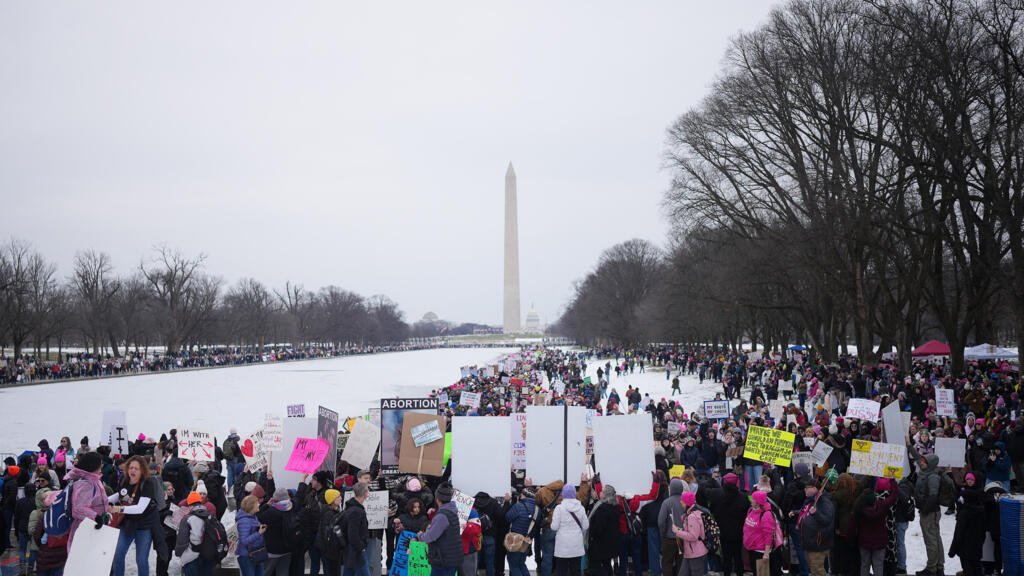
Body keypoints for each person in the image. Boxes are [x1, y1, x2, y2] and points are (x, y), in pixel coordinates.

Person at [110, 455, 160, 576]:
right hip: (127, 524)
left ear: (142, 470)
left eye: (136, 468)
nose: (132, 470)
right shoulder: (124, 480)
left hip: (144, 526)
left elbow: (140, 508)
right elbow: (119, 494)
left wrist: (118, 508)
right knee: (118, 554)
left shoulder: (148, 483)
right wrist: (103, 501)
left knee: (141, 560)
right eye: (131, 467)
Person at [703, 472, 749, 576]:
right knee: (738, 558)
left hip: (723, 532)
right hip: (738, 533)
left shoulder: (716, 494)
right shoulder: (743, 497)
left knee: (726, 558)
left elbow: (705, 492)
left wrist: (712, 480)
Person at [851, 478, 897, 576]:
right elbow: (893, 498)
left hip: (864, 542)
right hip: (880, 543)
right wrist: (893, 482)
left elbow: (854, 526)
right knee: (878, 565)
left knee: (864, 565)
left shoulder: (859, 509)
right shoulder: (881, 506)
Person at [66, 451, 108, 552]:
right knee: (82, 562)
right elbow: (78, 509)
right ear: (93, 465)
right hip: (85, 529)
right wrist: (96, 517)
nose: (101, 466)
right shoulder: (86, 483)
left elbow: (95, 501)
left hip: (93, 528)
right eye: (100, 464)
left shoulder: (94, 479)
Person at [417, 483, 462, 576]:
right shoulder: (452, 510)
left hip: (443, 559)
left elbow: (430, 536)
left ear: (437, 499)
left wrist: (421, 535)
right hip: (450, 556)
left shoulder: (442, 515)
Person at [949, 473, 986, 576]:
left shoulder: (965, 512)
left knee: (968, 568)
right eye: (967, 479)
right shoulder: (981, 506)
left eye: (971, 479)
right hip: (977, 545)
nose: (969, 481)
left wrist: (952, 550)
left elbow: (959, 533)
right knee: (977, 567)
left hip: (965, 547)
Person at [913, 453, 943, 576]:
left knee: (931, 540)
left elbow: (933, 496)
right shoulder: (926, 472)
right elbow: (917, 457)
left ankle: (932, 568)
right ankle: (938, 566)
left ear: (930, 464)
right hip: (929, 511)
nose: (921, 463)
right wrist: (909, 445)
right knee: (935, 539)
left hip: (929, 512)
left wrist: (924, 510)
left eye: (924, 462)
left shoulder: (932, 477)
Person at [550, 484, 588, 576]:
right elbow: (586, 526)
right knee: (576, 571)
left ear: (563, 494)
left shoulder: (559, 508)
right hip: (576, 546)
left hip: (562, 547)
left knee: (561, 571)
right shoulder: (581, 508)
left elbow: (554, 527)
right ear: (575, 494)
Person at [257, 488, 297, 576]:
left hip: (273, 550)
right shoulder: (291, 507)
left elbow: (258, 517)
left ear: (275, 499)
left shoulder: (272, 511)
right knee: (283, 572)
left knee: (265, 572)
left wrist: (266, 505)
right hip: (288, 548)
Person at [798, 480, 834, 576]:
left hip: (818, 543)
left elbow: (827, 519)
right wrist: (796, 512)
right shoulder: (811, 500)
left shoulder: (824, 501)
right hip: (810, 542)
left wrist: (816, 513)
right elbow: (807, 513)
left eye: (807, 487)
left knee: (817, 570)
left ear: (814, 488)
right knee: (814, 570)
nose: (804, 490)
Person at [587, 484, 623, 576]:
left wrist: (591, 536)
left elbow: (598, 528)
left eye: (602, 491)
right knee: (607, 565)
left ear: (606, 495)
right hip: (610, 544)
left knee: (595, 568)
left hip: (599, 545)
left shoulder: (602, 509)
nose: (600, 492)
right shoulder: (615, 507)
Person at [175, 491, 213, 576]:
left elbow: (182, 540)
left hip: (192, 556)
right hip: (208, 554)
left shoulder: (187, 519)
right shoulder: (209, 515)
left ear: (189, 505)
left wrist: (178, 552)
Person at [672, 492, 707, 576]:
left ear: (687, 502)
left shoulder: (692, 516)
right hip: (690, 552)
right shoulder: (692, 513)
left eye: (682, 500)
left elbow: (693, 536)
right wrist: (681, 530)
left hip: (695, 553)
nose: (681, 502)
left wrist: (677, 531)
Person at [505, 488, 539, 576]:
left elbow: (508, 518)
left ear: (524, 495)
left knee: (514, 565)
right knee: (521, 563)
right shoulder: (537, 509)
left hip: (515, 539)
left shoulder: (518, 506)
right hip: (527, 540)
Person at [657, 478, 686, 576]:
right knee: (681, 564)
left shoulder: (667, 502)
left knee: (667, 563)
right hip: (683, 538)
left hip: (669, 538)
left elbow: (661, 522)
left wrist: (663, 533)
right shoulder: (685, 502)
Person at [743, 490, 776, 576]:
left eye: (753, 499)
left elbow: (769, 535)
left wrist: (766, 553)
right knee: (755, 572)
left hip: (760, 551)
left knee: (761, 574)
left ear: (758, 502)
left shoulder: (766, 515)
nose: (751, 500)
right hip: (751, 549)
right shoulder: (751, 510)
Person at [342, 482, 372, 576]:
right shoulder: (356, 511)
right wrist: (361, 547)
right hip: (356, 551)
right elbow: (353, 534)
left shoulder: (351, 508)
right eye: (367, 490)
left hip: (352, 550)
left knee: (349, 572)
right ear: (364, 493)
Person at [237, 494, 268, 576]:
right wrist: (259, 533)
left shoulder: (253, 516)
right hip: (247, 557)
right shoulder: (244, 521)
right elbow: (244, 541)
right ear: (251, 506)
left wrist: (259, 528)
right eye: (257, 503)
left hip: (255, 553)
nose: (259, 504)